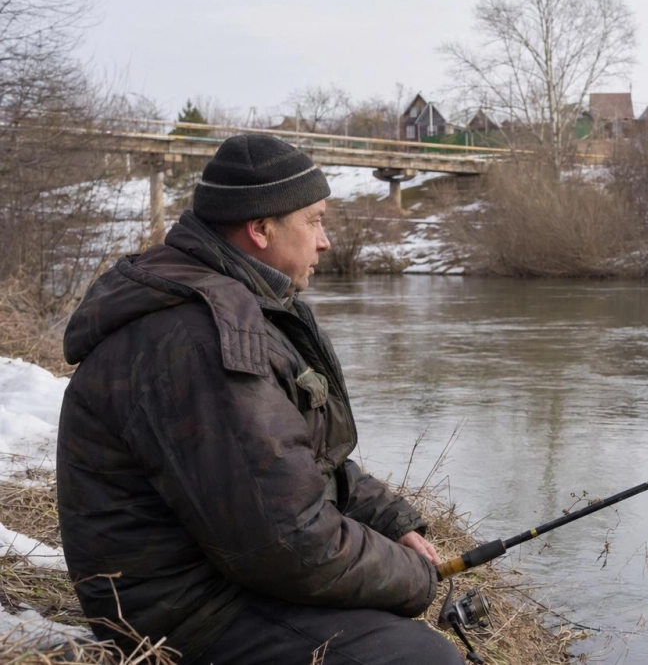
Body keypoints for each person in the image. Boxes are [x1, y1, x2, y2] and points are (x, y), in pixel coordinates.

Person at [56, 134, 464, 665]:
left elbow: (300, 459)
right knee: (422, 660)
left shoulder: (244, 304)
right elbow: (288, 546)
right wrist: (415, 579)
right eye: (314, 221)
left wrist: (393, 523)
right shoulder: (200, 341)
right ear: (260, 229)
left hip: (217, 576)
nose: (326, 242)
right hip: (179, 615)